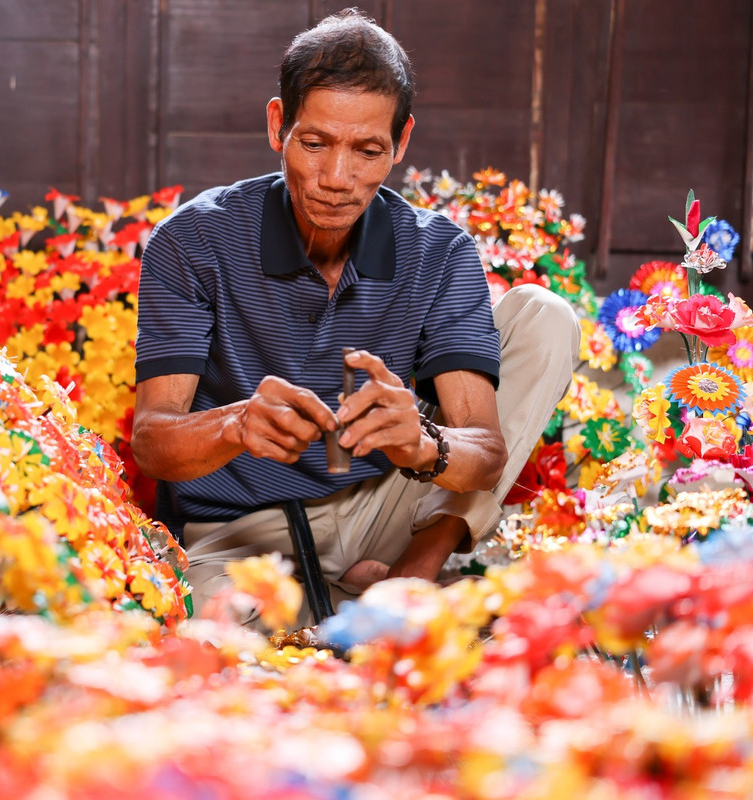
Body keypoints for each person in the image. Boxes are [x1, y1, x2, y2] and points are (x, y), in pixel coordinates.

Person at [131, 8, 578, 627]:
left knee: (544, 314)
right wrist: (235, 424)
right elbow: (152, 442)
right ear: (278, 125)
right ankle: (361, 602)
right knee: (227, 651)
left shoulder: (437, 250)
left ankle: (411, 574)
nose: (336, 179)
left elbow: (485, 453)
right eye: (314, 144)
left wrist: (423, 444)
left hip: (382, 510)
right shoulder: (193, 240)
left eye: (368, 151)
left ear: (401, 141)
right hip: (240, 537)